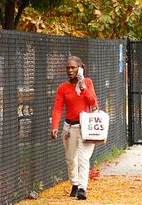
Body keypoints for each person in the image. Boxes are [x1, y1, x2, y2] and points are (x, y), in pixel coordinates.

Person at [50, 56, 99, 200]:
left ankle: (82, 188)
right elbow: (58, 109)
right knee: (71, 159)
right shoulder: (63, 88)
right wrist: (54, 126)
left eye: (73, 67)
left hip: (86, 128)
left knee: (83, 158)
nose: (70, 70)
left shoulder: (88, 82)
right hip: (69, 128)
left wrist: (83, 86)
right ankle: (75, 183)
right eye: (68, 68)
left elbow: (93, 101)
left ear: (80, 69)